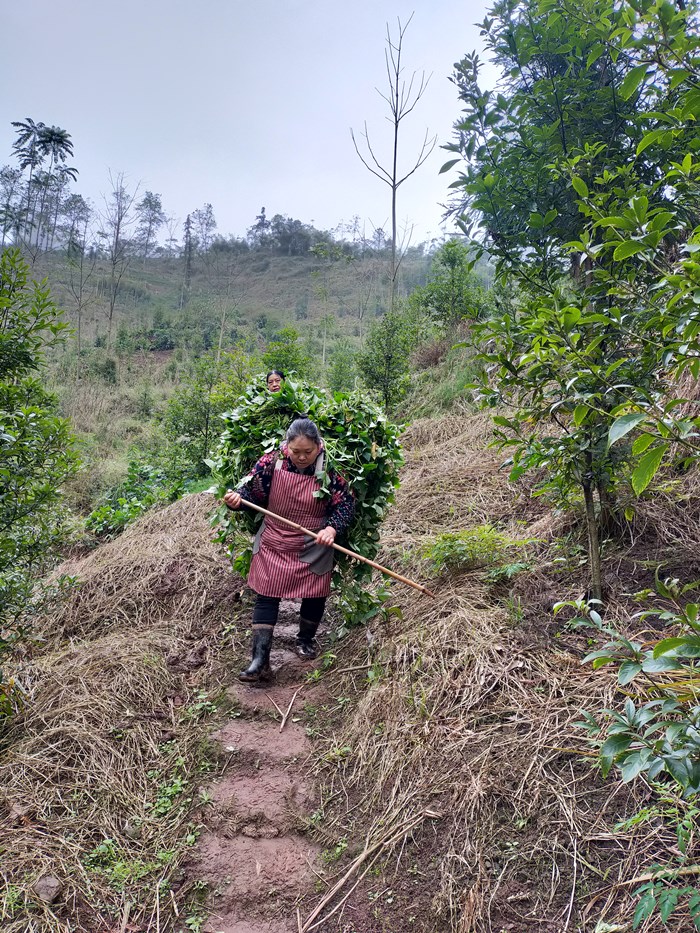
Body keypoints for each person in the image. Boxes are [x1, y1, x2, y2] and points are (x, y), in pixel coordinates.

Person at [223, 417, 355, 683]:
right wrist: (237, 500)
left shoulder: (331, 467)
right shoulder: (272, 461)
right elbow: (251, 493)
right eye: (296, 451)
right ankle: (259, 660)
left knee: (314, 593)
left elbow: (345, 504)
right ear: (287, 446)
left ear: (319, 446)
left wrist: (331, 529)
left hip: (315, 540)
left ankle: (305, 639)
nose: (302, 457)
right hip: (275, 537)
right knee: (266, 594)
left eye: (308, 451)